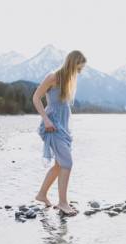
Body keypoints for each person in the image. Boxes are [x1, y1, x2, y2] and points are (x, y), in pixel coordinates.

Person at [32, 50, 86, 215]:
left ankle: (42, 195)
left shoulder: (68, 80)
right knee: (67, 163)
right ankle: (62, 203)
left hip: (62, 128)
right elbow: (35, 98)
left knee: (59, 164)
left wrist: (68, 129)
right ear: (72, 63)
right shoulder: (53, 77)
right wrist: (46, 120)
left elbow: (64, 107)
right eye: (78, 68)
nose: (80, 71)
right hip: (52, 126)